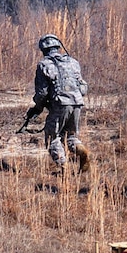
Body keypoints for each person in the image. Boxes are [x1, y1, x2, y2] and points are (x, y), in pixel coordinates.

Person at [23, 34, 90, 172]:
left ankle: (63, 167)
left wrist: (37, 108)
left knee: (52, 137)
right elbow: (83, 87)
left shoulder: (43, 65)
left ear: (43, 49)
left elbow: (42, 93)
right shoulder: (73, 62)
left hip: (60, 104)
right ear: (58, 46)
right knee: (70, 136)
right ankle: (82, 151)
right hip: (77, 102)